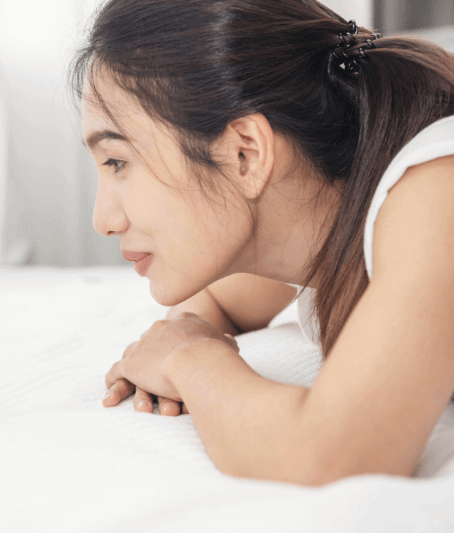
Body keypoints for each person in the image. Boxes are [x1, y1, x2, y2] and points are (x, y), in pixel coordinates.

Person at [73, 0, 454, 485]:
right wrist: (185, 336)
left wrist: (188, 359)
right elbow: (211, 302)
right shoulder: (321, 222)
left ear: (245, 154)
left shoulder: (438, 187)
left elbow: (333, 453)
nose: (103, 220)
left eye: (118, 162)